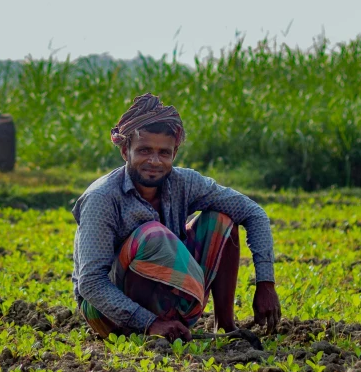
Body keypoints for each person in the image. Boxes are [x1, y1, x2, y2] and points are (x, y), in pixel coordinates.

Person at [72, 92, 281, 343]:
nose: (154, 161)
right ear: (125, 151)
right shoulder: (102, 197)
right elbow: (91, 284)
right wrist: (150, 322)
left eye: (164, 152)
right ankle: (153, 328)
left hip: (168, 296)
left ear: (175, 152)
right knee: (152, 233)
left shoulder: (185, 182)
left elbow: (252, 212)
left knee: (223, 221)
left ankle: (225, 325)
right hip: (109, 313)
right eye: (144, 150)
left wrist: (265, 284)